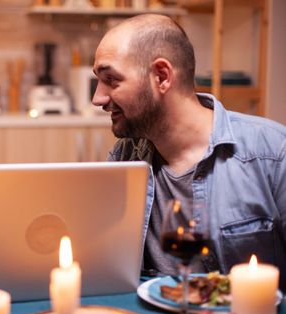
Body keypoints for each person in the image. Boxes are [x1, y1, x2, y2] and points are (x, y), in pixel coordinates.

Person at [92, 14, 286, 289]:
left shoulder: (273, 153)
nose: (97, 98)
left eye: (111, 79)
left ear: (161, 76)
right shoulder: (124, 156)